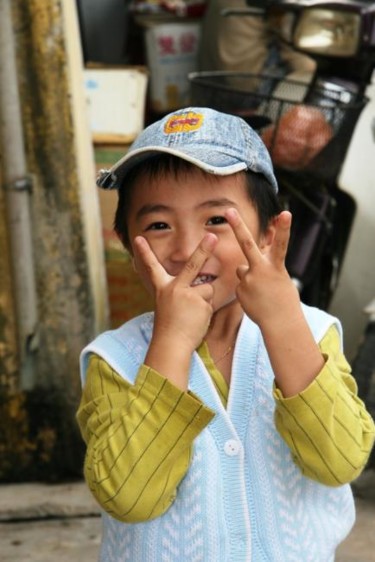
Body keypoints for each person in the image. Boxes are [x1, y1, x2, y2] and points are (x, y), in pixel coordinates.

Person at [76, 106, 374, 562]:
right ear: (129, 250)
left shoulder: (313, 332)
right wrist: (173, 343)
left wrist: (284, 323)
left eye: (216, 220)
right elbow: (130, 497)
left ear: (269, 235)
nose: (186, 248)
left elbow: (339, 462)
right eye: (158, 225)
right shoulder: (115, 360)